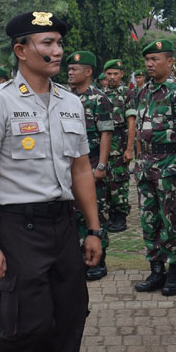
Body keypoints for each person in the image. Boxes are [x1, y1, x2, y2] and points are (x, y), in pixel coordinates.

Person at [0, 10, 99, 352]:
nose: (56, 50)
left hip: (61, 224)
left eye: (59, 42)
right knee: (30, 322)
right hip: (16, 224)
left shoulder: (71, 103)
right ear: (21, 50)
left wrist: (94, 229)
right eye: (46, 43)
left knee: (69, 319)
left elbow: (81, 169)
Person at [130, 39, 176, 296]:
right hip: (145, 166)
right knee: (149, 220)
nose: (149, 64)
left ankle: (174, 273)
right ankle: (155, 270)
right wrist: (137, 161)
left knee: (172, 220)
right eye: (147, 60)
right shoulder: (143, 91)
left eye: (154, 59)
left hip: (169, 164)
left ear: (170, 62)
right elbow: (138, 129)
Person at [65, 51, 113, 280]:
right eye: (69, 69)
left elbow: (106, 133)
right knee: (73, 214)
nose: (70, 73)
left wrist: (101, 165)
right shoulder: (66, 97)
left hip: (92, 160)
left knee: (94, 211)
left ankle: (99, 261)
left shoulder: (99, 98)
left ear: (89, 72)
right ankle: (79, 258)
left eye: (75, 69)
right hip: (71, 162)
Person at [102, 59, 131, 233]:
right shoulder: (101, 94)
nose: (112, 77)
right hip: (104, 146)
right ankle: (110, 215)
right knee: (106, 182)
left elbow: (131, 122)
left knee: (119, 181)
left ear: (121, 74)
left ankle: (120, 216)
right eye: (109, 74)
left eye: (115, 74)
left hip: (119, 145)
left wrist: (129, 148)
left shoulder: (127, 93)